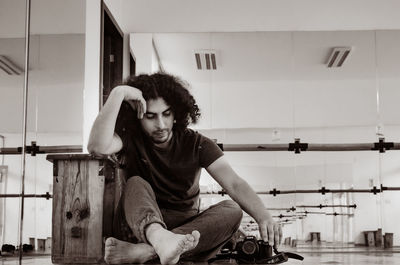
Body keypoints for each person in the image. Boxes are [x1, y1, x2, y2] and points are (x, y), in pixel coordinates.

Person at [87, 73, 282, 265]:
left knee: (232, 210)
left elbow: (234, 183)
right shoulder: (130, 138)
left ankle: (148, 251)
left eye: (166, 114)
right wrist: (118, 93)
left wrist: (264, 216)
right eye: (150, 116)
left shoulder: (197, 144)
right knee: (135, 183)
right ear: (137, 116)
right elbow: (97, 146)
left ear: (177, 113)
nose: (160, 124)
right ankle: (159, 241)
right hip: (142, 224)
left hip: (188, 229)